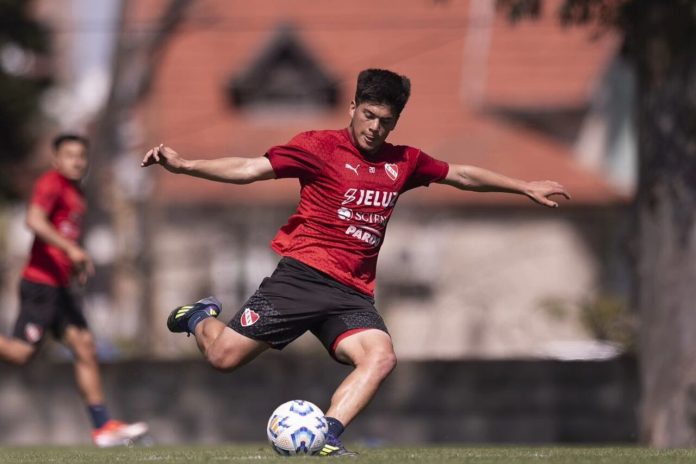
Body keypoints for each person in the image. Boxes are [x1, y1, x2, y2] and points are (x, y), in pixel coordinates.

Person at [141, 69, 570, 456]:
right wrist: (186, 166)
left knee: (381, 357)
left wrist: (523, 186)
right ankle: (199, 315)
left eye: (386, 121)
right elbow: (249, 168)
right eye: (368, 115)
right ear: (353, 108)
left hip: (351, 293)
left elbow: (461, 175)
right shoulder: (318, 147)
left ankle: (326, 434)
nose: (374, 128)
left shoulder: (404, 162)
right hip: (302, 278)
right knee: (222, 358)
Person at [0, 134, 148, 447]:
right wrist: (71, 249)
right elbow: (34, 220)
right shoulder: (51, 183)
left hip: (60, 287)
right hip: (40, 285)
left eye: (81, 155)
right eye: (69, 155)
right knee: (20, 353)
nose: (77, 161)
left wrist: (74, 262)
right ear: (56, 159)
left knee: (84, 346)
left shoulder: (75, 193)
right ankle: (103, 426)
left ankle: (103, 427)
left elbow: (60, 233)